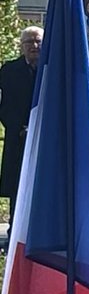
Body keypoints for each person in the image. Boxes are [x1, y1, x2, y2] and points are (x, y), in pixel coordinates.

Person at [0, 26, 41, 223]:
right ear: (21, 46)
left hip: (46, 139)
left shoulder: (54, 69)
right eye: (29, 42)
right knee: (18, 188)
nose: (34, 46)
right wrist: (20, 128)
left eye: (38, 41)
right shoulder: (9, 70)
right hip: (19, 139)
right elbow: (5, 106)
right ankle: (15, 233)